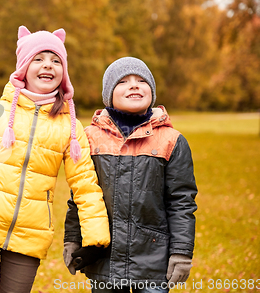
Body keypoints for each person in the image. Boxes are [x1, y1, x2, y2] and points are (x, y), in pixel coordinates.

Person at [0, 25, 110, 293]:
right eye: (38, 59)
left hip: (32, 232)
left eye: (56, 60)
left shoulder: (70, 127)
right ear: (24, 67)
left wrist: (95, 239)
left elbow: (85, 185)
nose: (48, 66)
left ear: (63, 72)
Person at [63, 57, 198, 293]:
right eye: (123, 81)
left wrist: (181, 252)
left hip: (154, 259)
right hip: (105, 256)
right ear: (109, 95)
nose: (134, 85)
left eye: (141, 80)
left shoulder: (171, 141)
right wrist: (73, 237)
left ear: (152, 92)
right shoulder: (90, 138)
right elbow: (81, 194)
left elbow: (181, 203)